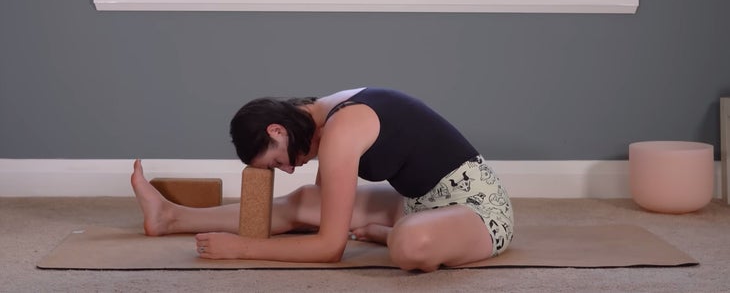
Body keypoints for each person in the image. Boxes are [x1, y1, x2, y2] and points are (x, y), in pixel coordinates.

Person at [131, 87, 513, 272]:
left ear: (278, 130)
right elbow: (321, 206)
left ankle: (391, 234)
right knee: (304, 202)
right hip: (415, 202)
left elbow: (330, 248)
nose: (289, 169)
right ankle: (172, 218)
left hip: (477, 209)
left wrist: (241, 247)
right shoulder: (321, 113)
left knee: (411, 245)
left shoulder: (341, 129)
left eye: (278, 160)